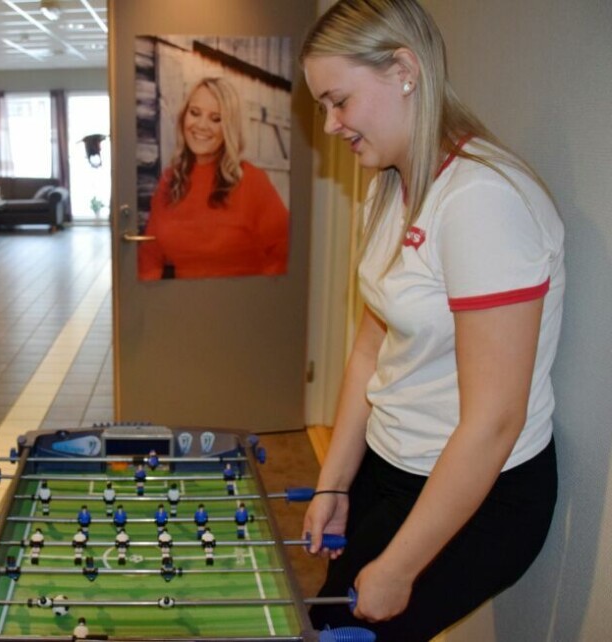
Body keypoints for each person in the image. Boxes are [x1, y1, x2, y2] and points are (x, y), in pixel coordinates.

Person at [298, 2, 564, 640]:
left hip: (480, 494)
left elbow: (494, 421)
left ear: (404, 71)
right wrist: (334, 483)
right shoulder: (388, 184)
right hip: (392, 463)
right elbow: (371, 349)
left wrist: (400, 567)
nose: (330, 125)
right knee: (325, 619)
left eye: (339, 101)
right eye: (323, 107)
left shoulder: (482, 202)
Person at [137, 76, 290, 281]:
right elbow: (150, 254)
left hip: (243, 298)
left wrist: (257, 296)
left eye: (216, 118)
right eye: (195, 113)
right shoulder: (170, 180)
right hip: (184, 298)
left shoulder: (252, 181)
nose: (201, 125)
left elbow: (285, 251)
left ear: (229, 127)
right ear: (184, 117)